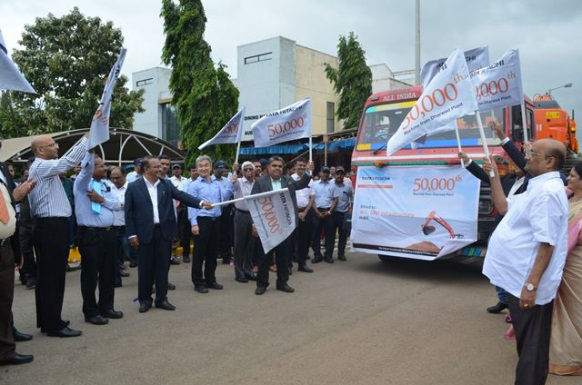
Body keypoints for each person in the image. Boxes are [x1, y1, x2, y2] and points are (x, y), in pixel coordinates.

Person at [483, 139, 569, 385]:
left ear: (549, 161)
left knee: (532, 351)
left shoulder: (549, 192)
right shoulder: (537, 186)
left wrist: (531, 286)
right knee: (526, 345)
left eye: (533, 152)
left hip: (527, 285)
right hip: (516, 280)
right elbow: (503, 207)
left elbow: (547, 243)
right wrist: (492, 174)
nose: (526, 154)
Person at [124, 156, 211, 313]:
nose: (161, 168)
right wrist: (131, 235)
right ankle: (144, 300)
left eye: (161, 166)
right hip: (144, 233)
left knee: (163, 268)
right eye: (157, 166)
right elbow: (129, 214)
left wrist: (200, 203)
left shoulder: (166, 184)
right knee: (145, 269)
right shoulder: (133, 187)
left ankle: (162, 299)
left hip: (164, 233)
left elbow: (182, 196)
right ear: (146, 169)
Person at [28, 133, 89, 338]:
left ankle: (48, 320)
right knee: (53, 278)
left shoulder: (41, 167)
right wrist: (87, 140)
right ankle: (54, 324)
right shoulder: (41, 166)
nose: (57, 147)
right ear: (40, 151)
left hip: (50, 226)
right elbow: (68, 162)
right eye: (52, 144)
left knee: (47, 278)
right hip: (51, 226)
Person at [459, 151, 526, 314]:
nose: (513, 166)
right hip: (499, 229)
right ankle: (503, 299)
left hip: (517, 233)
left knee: (512, 267)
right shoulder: (509, 179)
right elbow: (486, 177)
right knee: (497, 265)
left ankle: (516, 301)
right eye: (512, 163)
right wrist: (468, 162)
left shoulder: (531, 184)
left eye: (517, 163)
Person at [73, 153, 123, 325]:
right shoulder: (82, 184)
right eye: (100, 165)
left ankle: (106, 307)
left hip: (109, 234)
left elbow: (118, 205)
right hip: (90, 234)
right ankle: (91, 311)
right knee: (90, 275)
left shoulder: (107, 184)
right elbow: (85, 170)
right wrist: (90, 147)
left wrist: (102, 200)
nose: (105, 167)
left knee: (109, 273)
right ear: (90, 168)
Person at [251, 156, 312, 295]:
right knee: (264, 257)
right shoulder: (260, 182)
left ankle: (282, 282)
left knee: (283, 257)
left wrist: (308, 172)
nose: (277, 168)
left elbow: (301, 184)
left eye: (280, 166)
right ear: (268, 168)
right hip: (267, 226)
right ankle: (262, 284)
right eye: (274, 166)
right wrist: (254, 224)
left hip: (285, 226)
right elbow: (253, 203)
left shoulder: (288, 180)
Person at [548, 160, 582, 376]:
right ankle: (561, 355)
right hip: (561, 262)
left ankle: (574, 359)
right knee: (560, 311)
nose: (568, 178)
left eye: (573, 176)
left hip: (576, 265)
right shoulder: (567, 197)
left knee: (576, 310)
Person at [0, 168, 35, 365]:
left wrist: (16, 251)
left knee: (4, 301)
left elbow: (8, 211)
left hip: (5, 248)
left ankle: (6, 350)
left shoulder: (2, 177)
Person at [187, 156, 233, 293]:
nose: (203, 168)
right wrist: (194, 223)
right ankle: (198, 282)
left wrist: (231, 184)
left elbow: (223, 199)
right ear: (197, 168)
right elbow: (191, 205)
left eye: (206, 165)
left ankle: (210, 279)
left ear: (211, 167)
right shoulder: (194, 185)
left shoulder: (216, 183)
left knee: (213, 253)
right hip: (202, 221)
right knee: (199, 253)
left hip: (216, 221)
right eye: (200, 166)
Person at [231, 161, 257, 282]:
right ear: (242, 171)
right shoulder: (238, 182)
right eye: (245, 170)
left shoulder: (257, 183)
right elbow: (232, 184)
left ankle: (248, 269)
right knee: (239, 244)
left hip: (254, 215)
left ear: (254, 171)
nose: (248, 172)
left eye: (250, 169)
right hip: (241, 214)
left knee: (251, 244)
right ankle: (239, 272)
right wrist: (234, 171)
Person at [108, 167, 132, 286]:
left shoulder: (131, 188)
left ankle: (148, 282)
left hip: (128, 227)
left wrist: (113, 204)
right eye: (113, 178)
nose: (115, 180)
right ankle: (116, 280)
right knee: (114, 256)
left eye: (118, 178)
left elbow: (129, 205)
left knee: (133, 254)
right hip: (113, 226)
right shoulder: (108, 188)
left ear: (124, 176)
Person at [291, 157, 314, 273]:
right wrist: (297, 212)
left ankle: (302, 264)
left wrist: (304, 212)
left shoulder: (310, 180)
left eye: (304, 165)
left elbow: (312, 198)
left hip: (306, 213)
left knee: (304, 241)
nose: (301, 167)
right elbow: (288, 198)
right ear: (295, 167)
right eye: (299, 165)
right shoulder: (290, 180)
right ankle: (288, 266)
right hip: (293, 213)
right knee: (292, 240)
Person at [311, 166, 337, 264]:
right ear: (319, 173)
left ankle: (328, 255)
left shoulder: (332, 185)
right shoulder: (314, 184)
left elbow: (335, 199)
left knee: (330, 235)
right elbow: (311, 199)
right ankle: (317, 255)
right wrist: (317, 212)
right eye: (323, 172)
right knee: (315, 235)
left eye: (327, 172)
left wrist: (329, 211)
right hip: (316, 212)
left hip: (328, 212)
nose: (325, 174)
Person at [329, 166, 353, 262]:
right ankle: (329, 255)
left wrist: (351, 207)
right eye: (338, 173)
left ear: (344, 175)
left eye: (341, 174)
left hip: (344, 214)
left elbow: (352, 197)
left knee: (343, 235)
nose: (339, 175)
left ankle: (341, 254)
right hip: (332, 213)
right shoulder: (330, 184)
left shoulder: (348, 186)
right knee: (330, 235)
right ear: (335, 175)